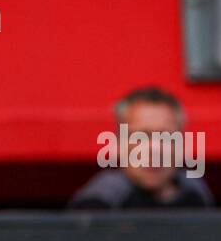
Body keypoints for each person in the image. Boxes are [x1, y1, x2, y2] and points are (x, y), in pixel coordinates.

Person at [69, 86, 213, 209]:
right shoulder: (100, 203)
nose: (154, 149)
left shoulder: (196, 196)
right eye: (140, 137)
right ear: (119, 143)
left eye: (167, 137)